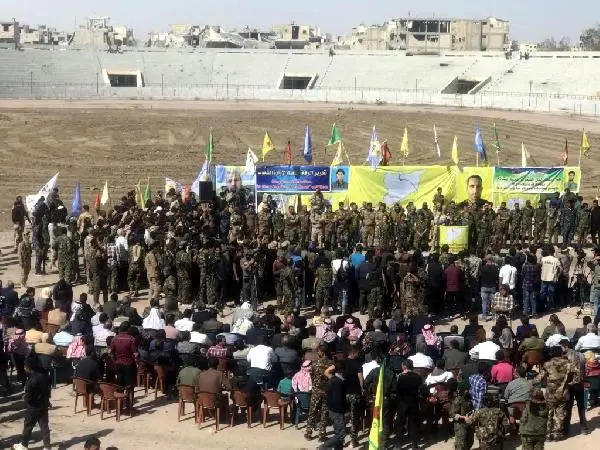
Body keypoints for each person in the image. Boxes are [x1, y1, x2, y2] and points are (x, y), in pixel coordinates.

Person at [533, 346, 581, 441]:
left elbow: (539, 378)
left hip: (550, 394)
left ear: (551, 354)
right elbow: (579, 375)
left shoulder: (547, 364)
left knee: (549, 414)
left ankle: (548, 435)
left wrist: (529, 382)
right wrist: (571, 383)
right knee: (560, 414)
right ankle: (557, 434)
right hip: (563, 393)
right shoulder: (568, 364)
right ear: (561, 353)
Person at [12, 357, 52, 450]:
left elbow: (29, 397)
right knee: (44, 426)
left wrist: (25, 398)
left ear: (29, 367)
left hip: (33, 407)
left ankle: (24, 445)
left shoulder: (31, 380)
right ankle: (47, 447)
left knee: (28, 426)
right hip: (44, 405)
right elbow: (48, 391)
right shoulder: (46, 376)